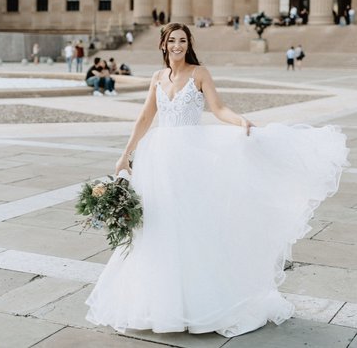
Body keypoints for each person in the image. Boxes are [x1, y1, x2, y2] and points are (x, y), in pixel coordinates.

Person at [86, 23, 348, 338]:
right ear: (164, 44)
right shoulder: (157, 78)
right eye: (172, 40)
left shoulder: (200, 74)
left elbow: (218, 108)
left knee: (192, 227)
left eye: (183, 40)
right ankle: (162, 303)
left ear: (188, 44)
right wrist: (126, 154)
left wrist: (239, 121)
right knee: (158, 228)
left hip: (189, 159)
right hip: (158, 159)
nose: (178, 46)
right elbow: (144, 119)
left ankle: (201, 303)